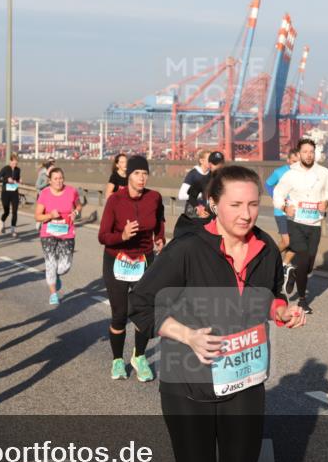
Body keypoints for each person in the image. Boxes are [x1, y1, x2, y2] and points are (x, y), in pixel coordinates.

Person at [129, 165, 306, 462]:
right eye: (236, 204)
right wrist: (187, 335)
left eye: (253, 204)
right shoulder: (188, 249)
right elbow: (141, 304)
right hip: (187, 381)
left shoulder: (265, 247)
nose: (246, 214)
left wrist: (282, 312)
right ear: (213, 204)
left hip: (243, 378)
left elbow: (267, 297)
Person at [97, 155, 165, 382]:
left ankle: (139, 356)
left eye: (145, 173)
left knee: (144, 312)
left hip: (144, 260)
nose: (142, 178)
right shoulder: (115, 200)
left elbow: (160, 219)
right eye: (137, 173)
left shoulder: (154, 197)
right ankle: (117, 360)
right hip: (117, 260)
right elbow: (103, 236)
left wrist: (160, 238)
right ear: (128, 176)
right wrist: (123, 236)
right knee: (119, 314)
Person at [271, 139, 328, 314]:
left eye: (311, 152)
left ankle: (293, 273)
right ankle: (302, 300)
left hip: (315, 224)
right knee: (303, 257)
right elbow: (278, 193)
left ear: (315, 154)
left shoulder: (324, 173)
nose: (308, 155)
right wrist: (284, 207)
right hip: (296, 223)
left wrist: (326, 202)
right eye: (305, 152)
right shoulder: (290, 174)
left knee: (308, 265)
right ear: (299, 154)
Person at [35, 167, 82, 306]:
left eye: (61, 178)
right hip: (48, 233)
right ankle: (53, 294)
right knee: (50, 263)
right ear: (49, 181)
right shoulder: (44, 193)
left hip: (67, 232)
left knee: (64, 266)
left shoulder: (71, 191)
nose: (58, 181)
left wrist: (75, 213)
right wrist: (50, 215)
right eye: (55, 178)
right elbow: (37, 216)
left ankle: (56, 275)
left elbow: (79, 206)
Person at [263, 149, 300, 295]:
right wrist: (277, 198)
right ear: (288, 160)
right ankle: (269, 258)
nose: (297, 164)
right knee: (286, 241)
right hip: (281, 211)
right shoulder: (280, 172)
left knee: (297, 242)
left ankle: (283, 265)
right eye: (294, 161)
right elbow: (268, 184)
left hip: (297, 213)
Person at [174, 150, 225, 237]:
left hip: (212, 214)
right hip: (194, 211)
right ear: (202, 161)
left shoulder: (219, 176)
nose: (217, 166)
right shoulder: (194, 174)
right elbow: (183, 195)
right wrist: (200, 200)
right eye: (209, 160)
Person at [0, 152, 22, 236]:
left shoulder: (18, 170)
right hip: (5, 193)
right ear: (10, 161)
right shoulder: (5, 168)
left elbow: (17, 179)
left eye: (16, 162)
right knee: (7, 211)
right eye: (14, 162)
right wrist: (6, 180)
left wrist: (19, 180)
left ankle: (13, 230)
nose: (15, 164)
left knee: (15, 211)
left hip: (14, 192)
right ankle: (1, 221)